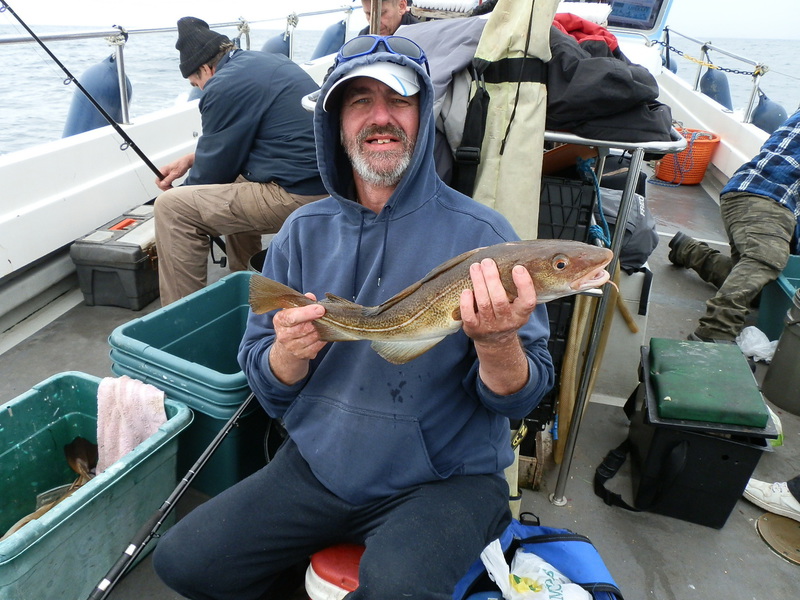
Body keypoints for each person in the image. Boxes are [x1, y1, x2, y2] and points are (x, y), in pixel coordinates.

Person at [152, 35, 554, 600]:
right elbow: (267, 387)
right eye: (360, 101)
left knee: (395, 591)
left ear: (423, 116)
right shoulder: (300, 231)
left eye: (399, 100)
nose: (380, 117)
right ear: (335, 123)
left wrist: (497, 343)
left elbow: (520, 400)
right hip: (320, 462)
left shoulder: (487, 238)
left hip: (444, 478)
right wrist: (287, 354)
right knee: (183, 562)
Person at [153, 17, 327, 305]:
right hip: (327, 182)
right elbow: (249, 139)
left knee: (172, 209)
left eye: (197, 83)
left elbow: (211, 177)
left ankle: (181, 319)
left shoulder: (223, 85)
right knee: (236, 182)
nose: (201, 89)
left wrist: (182, 192)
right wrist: (192, 159)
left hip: (302, 195)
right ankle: (246, 284)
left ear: (206, 69)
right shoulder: (264, 62)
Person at [668, 108, 800, 342]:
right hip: (764, 196)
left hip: (769, 205)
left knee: (763, 291)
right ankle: (714, 333)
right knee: (766, 257)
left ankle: (689, 251)